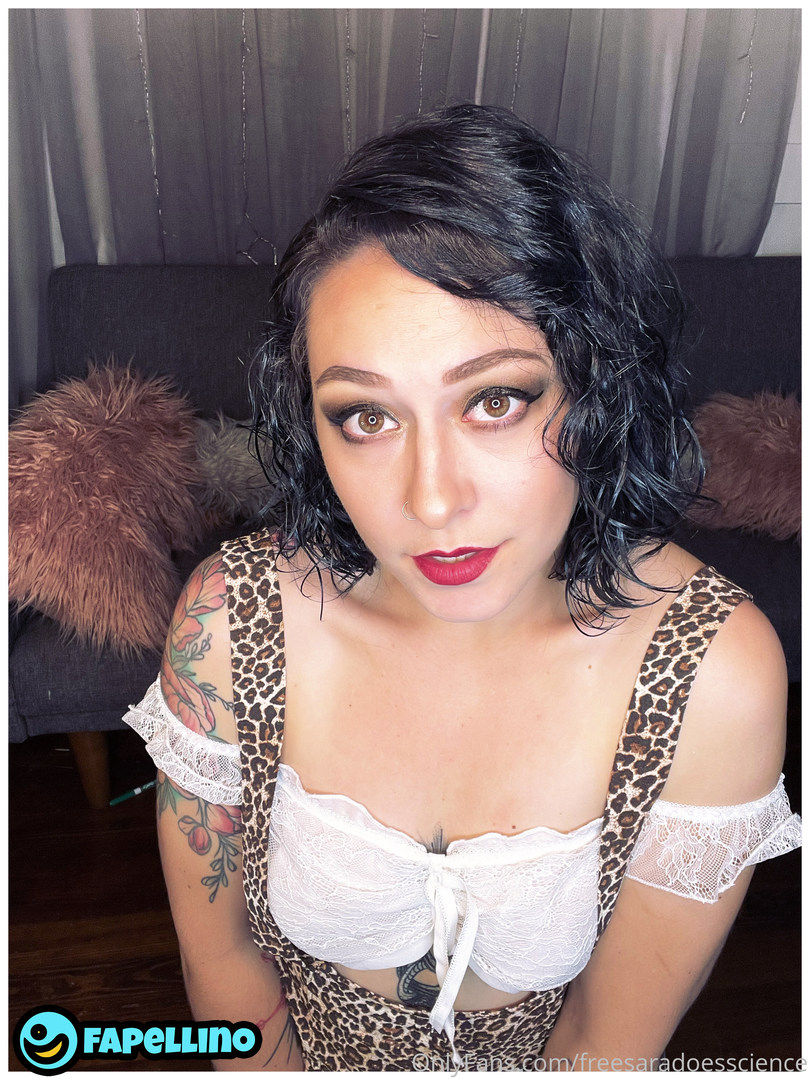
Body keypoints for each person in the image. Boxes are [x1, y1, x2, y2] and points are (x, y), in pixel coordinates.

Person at [124, 104, 801, 1071]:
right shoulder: (234, 619)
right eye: (366, 417)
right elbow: (224, 972)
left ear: (596, 383)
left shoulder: (710, 672)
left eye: (495, 400)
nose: (432, 500)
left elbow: (607, 1047)